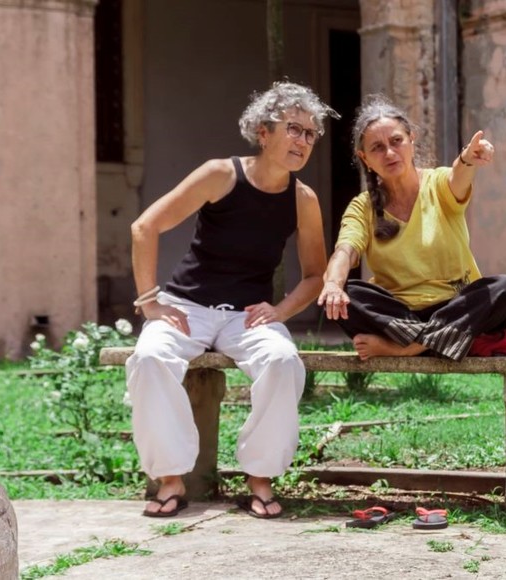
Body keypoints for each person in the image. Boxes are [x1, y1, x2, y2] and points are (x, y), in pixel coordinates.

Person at [125, 81, 337, 518]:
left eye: (310, 134)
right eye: (293, 129)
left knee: (282, 361)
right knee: (149, 358)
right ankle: (170, 478)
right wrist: (150, 302)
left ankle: (259, 477)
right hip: (186, 305)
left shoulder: (303, 200)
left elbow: (316, 274)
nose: (302, 141)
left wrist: (280, 311)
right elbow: (144, 228)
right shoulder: (221, 174)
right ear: (264, 132)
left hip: (247, 316)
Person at [316, 94, 506, 361]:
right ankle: (441, 340)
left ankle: (410, 349)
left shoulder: (437, 184)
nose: (390, 153)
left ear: (411, 141)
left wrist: (468, 159)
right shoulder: (363, 206)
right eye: (377, 148)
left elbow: (457, 177)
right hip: (400, 318)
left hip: (456, 307)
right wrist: (333, 284)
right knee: (342, 296)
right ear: (364, 158)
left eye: (396, 141)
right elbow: (345, 252)